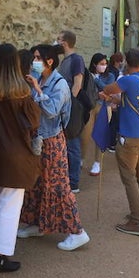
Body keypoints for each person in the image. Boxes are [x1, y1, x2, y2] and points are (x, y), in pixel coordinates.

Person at [16, 44, 90, 251]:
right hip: (38, 138)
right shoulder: (38, 78)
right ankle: (37, 224)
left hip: (52, 141)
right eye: (33, 58)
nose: (34, 62)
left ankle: (77, 232)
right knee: (36, 184)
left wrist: (37, 91)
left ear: (49, 61)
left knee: (58, 186)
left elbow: (51, 110)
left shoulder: (60, 84)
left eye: (38, 58)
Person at [0, 43, 42, 273]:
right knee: (10, 203)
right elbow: (34, 121)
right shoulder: (22, 90)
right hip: (16, 151)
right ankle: (2, 256)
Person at [100, 49, 139, 236]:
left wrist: (107, 94)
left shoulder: (126, 80)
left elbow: (108, 90)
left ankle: (136, 219)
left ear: (127, 62)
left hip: (129, 135)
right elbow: (127, 100)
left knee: (129, 177)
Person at [53, 30, 86, 191]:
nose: (56, 42)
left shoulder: (76, 60)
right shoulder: (65, 61)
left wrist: (68, 104)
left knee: (73, 144)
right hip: (65, 106)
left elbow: (77, 84)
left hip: (71, 107)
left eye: (58, 39)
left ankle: (73, 182)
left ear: (64, 42)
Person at [86, 52, 113, 177]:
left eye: (105, 64)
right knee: (85, 134)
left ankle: (97, 162)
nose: (104, 66)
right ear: (94, 64)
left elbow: (108, 89)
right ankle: (81, 157)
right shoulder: (88, 75)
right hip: (90, 106)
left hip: (104, 107)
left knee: (100, 134)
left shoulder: (110, 76)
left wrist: (96, 80)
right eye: (101, 64)